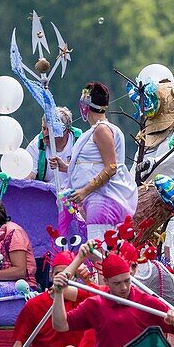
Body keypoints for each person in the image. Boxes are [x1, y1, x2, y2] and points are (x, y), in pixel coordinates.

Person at [52, 251, 174, 347]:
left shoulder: (146, 302)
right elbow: (61, 325)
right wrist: (58, 294)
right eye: (117, 283)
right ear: (106, 282)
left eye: (127, 281)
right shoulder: (95, 303)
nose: (124, 288)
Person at [134, 65, 174, 260]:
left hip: (171, 192)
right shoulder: (147, 128)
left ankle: (166, 271)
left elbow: (173, 152)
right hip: (145, 194)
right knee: (141, 237)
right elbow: (136, 161)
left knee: (166, 238)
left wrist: (150, 163)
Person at [65, 81, 138, 239]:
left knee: (97, 254)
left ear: (85, 106)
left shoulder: (102, 130)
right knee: (99, 254)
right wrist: (64, 167)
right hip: (97, 202)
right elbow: (91, 165)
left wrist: (84, 191)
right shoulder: (96, 130)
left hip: (102, 202)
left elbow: (111, 167)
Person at [7, 251, 93, 347]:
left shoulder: (84, 299)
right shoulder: (34, 305)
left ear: (75, 278)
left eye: (68, 276)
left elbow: (105, 299)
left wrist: (87, 280)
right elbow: (19, 345)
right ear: (51, 275)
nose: (63, 280)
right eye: (59, 275)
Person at [25, 107, 80, 182]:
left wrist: (67, 168)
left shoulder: (79, 140)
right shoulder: (35, 145)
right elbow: (28, 177)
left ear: (66, 131)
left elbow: (88, 171)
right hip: (46, 192)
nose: (46, 133)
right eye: (44, 128)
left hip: (76, 190)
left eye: (52, 131)